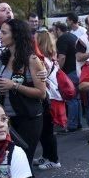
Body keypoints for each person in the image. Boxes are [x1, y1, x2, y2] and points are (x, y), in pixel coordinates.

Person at [0, 19, 47, 178]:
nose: (0, 35)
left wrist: (13, 85)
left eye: (4, 32)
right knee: (13, 165)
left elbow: (41, 93)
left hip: (29, 119)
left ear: (15, 35)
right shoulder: (6, 57)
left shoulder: (31, 60)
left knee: (24, 166)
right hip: (9, 119)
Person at [35, 30, 62, 170]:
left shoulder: (41, 60)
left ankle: (54, 159)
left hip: (49, 97)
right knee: (45, 130)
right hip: (53, 95)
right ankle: (46, 156)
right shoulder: (51, 57)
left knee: (48, 130)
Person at [53, 21, 80, 132]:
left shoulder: (62, 39)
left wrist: (58, 70)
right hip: (76, 70)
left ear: (58, 30)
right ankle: (77, 123)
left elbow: (62, 57)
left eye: (54, 30)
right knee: (76, 99)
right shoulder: (72, 35)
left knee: (71, 99)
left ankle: (72, 125)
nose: (53, 33)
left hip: (69, 72)